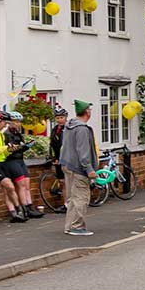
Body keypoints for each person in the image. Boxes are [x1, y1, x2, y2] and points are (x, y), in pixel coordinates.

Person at [59, 100, 98, 236]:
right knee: (81, 197)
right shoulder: (81, 128)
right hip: (78, 168)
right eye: (90, 110)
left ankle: (69, 226)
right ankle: (77, 226)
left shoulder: (69, 126)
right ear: (87, 112)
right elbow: (83, 151)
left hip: (67, 165)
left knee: (72, 198)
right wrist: (89, 169)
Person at [3, 111, 43, 219]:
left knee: (27, 184)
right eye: (15, 122)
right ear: (10, 122)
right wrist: (23, 147)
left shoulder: (17, 133)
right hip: (12, 161)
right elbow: (10, 149)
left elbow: (20, 146)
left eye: (19, 122)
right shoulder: (7, 134)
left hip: (20, 160)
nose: (18, 124)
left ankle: (30, 206)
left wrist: (26, 146)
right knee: (20, 185)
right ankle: (25, 208)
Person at [48, 106, 68, 213]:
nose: (59, 119)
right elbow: (52, 144)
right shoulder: (55, 129)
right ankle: (65, 204)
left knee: (67, 182)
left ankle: (70, 204)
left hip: (67, 160)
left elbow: (66, 145)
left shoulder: (69, 128)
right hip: (58, 160)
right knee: (62, 182)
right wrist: (54, 157)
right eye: (57, 118)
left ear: (65, 117)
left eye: (61, 117)